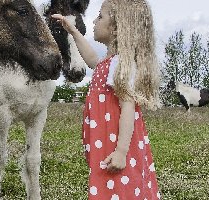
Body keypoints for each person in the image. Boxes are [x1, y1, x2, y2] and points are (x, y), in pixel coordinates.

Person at [52, 0, 162, 199]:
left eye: (100, 16)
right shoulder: (109, 63)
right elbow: (93, 59)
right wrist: (73, 31)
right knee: (112, 185)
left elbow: (127, 107)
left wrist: (121, 152)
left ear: (118, 27)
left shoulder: (121, 64)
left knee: (119, 185)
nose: (94, 21)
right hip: (106, 141)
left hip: (116, 144)